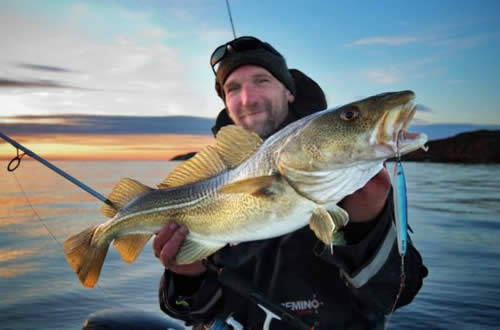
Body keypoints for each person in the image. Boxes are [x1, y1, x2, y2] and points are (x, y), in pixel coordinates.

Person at [153, 36, 428, 329]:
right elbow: (189, 312)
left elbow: (398, 296)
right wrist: (185, 276)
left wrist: (367, 229)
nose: (248, 98)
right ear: (226, 103)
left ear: (289, 92)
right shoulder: (207, 180)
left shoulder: (354, 176)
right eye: (233, 88)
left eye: (261, 81)